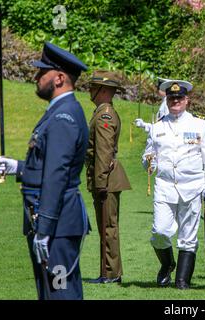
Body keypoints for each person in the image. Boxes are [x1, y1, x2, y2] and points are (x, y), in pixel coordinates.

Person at [0, 42, 89, 299]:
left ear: (59, 78)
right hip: (54, 221)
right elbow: (48, 166)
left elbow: (57, 176)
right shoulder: (60, 112)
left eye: (42, 72)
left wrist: (44, 231)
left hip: (55, 225)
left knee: (60, 294)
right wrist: (19, 168)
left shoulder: (62, 117)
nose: (36, 78)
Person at [142, 79, 205, 289]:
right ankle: (167, 264)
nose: (176, 101)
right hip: (165, 186)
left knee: (188, 236)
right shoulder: (157, 126)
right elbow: (148, 155)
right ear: (167, 99)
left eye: (179, 98)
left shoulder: (199, 124)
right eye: (172, 98)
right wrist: (148, 162)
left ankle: (183, 280)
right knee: (160, 232)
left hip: (192, 186)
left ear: (186, 100)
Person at [85, 70, 132, 284]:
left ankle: (110, 274)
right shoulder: (102, 111)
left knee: (108, 227)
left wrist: (100, 182)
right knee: (107, 226)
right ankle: (110, 272)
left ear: (103, 90)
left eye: (94, 87)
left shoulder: (104, 115)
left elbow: (103, 152)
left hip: (106, 181)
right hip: (106, 179)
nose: (90, 90)